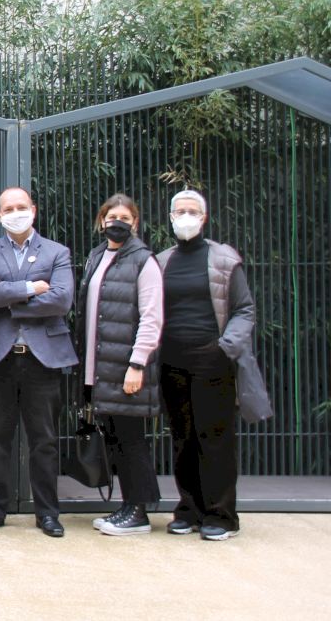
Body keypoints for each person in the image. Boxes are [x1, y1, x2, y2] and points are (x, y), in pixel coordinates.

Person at [157, 189, 272, 541]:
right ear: (170, 217)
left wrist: (225, 347)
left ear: (204, 217)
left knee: (215, 436)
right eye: (179, 211)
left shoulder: (224, 258)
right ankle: (188, 509)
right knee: (182, 437)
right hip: (171, 360)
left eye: (192, 211)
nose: (186, 217)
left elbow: (244, 308)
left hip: (213, 359)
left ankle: (221, 515)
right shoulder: (161, 261)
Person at [0, 186, 76, 538]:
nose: (16, 213)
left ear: (34, 209)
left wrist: (6, 294)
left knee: (44, 441)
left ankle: (47, 513)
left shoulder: (57, 251)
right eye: (8, 208)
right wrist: (33, 288)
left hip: (42, 361)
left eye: (21, 206)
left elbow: (61, 300)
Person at [76, 193, 164, 536]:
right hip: (99, 369)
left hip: (126, 369)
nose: (118, 223)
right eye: (112, 217)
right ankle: (128, 506)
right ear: (102, 221)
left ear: (135, 223)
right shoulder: (97, 256)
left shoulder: (144, 261)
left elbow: (151, 318)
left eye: (125, 218)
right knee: (114, 437)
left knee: (131, 439)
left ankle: (138, 511)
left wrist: (137, 364)